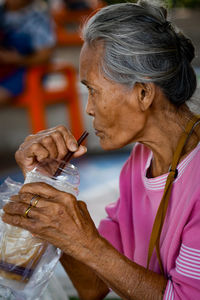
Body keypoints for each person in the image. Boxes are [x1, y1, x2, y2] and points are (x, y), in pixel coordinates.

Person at [2, 0, 200, 299]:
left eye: (93, 90)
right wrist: (49, 190)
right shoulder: (140, 163)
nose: (89, 108)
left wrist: (83, 240)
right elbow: (93, 286)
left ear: (144, 92)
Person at [0, 0, 56, 105]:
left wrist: (17, 59)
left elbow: (45, 55)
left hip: (25, 71)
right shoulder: (2, 13)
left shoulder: (38, 18)